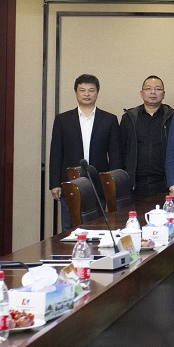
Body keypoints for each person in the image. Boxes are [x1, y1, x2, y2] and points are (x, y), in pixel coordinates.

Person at [48, 74, 121, 232]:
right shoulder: (62, 120)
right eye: (82, 90)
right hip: (69, 182)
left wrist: (112, 183)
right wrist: (54, 184)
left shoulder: (109, 119)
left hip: (98, 183)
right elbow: (56, 153)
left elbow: (115, 155)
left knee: (97, 228)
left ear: (97, 92)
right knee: (70, 229)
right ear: (76, 92)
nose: (86, 94)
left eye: (91, 90)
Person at [119, 75, 174, 200]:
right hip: (135, 185)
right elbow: (121, 150)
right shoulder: (129, 118)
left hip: (164, 184)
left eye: (158, 89)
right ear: (141, 93)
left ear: (164, 93)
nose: (153, 92)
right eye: (148, 88)